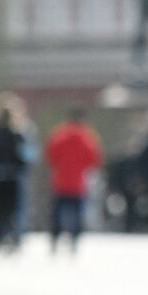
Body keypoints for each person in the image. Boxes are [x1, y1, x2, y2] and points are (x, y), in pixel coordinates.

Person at [45, 109, 104, 255]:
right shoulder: (88, 138)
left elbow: (51, 156)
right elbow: (94, 160)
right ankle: (74, 239)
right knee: (77, 213)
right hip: (78, 182)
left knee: (58, 213)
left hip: (61, 181)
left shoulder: (60, 135)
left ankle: (55, 238)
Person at [0, 97, 29, 253]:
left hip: (7, 178)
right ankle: (1, 236)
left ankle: (7, 236)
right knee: (1, 209)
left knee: (6, 209)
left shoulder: (16, 135)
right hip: (1, 178)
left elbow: (23, 157)